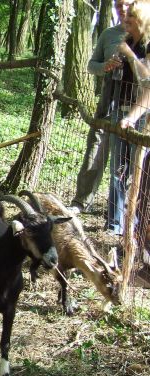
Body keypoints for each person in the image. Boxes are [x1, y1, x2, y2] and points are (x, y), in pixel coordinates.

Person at [69, 0, 133, 214]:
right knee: (95, 148)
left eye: (126, 4)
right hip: (106, 103)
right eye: (118, 5)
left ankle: (122, 210)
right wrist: (106, 66)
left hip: (134, 107)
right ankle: (81, 201)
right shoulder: (108, 34)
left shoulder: (146, 34)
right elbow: (90, 65)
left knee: (127, 158)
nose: (122, 9)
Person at [104, 0, 150, 236]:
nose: (126, 25)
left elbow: (148, 83)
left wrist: (130, 55)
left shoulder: (146, 45)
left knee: (141, 175)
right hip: (122, 109)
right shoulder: (128, 41)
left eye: (131, 22)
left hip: (143, 120)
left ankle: (139, 228)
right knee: (118, 169)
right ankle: (116, 223)